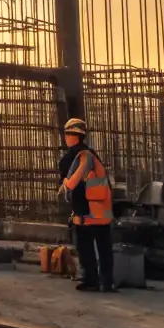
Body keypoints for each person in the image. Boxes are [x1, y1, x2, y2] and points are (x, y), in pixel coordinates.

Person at [58, 117, 116, 292]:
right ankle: (107, 282)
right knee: (104, 248)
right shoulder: (92, 155)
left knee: (85, 248)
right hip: (102, 211)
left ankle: (90, 280)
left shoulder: (72, 159)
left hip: (85, 212)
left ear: (69, 135)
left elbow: (69, 185)